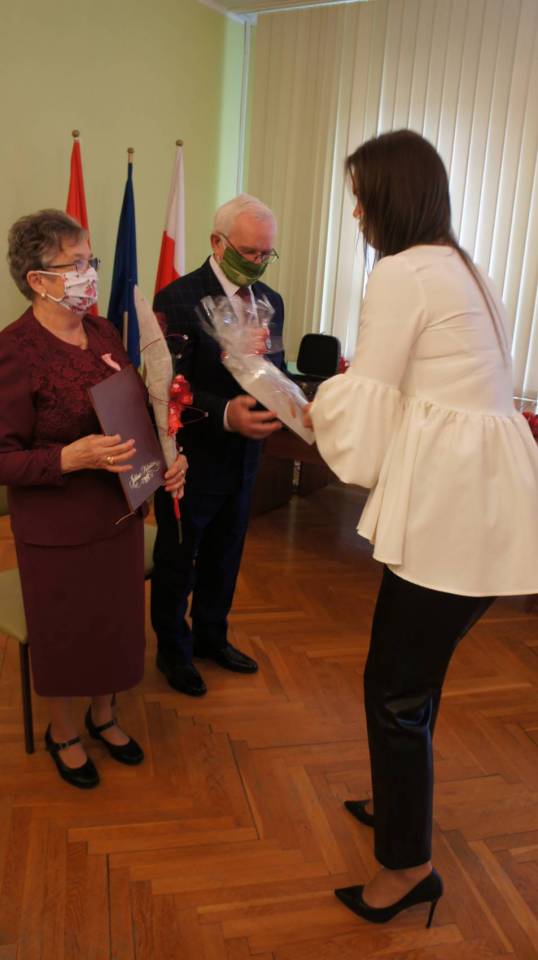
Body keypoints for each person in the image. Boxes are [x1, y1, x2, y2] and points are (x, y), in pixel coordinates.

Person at [305, 130, 538, 925]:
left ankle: (407, 868)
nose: (357, 214)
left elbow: (369, 394)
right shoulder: (464, 266)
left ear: (389, 199)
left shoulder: (402, 272)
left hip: (452, 511)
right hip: (491, 501)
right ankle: (397, 801)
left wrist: (311, 413)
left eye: (361, 198)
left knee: (394, 690)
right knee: (416, 680)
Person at [0, 209, 186, 789]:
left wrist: (167, 459)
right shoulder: (14, 351)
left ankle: (103, 715)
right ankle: (63, 732)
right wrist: (67, 458)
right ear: (38, 279)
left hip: (118, 512)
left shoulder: (103, 331)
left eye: (91, 260)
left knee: (113, 626)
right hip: (57, 526)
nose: (90, 273)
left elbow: (131, 411)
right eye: (75, 264)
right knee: (68, 633)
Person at [152, 194, 284, 697]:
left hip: (246, 460)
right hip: (191, 459)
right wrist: (228, 413)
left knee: (226, 556)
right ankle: (173, 650)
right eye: (249, 252)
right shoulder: (178, 298)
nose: (257, 263)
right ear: (217, 241)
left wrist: (288, 403)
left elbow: (274, 370)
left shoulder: (270, 300)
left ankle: (211, 637)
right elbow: (169, 387)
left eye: (266, 254)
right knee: (178, 559)